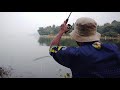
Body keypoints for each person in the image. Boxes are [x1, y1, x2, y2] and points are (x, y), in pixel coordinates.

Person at [49, 17, 120, 78]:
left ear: (77, 37)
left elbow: (52, 48)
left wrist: (61, 31)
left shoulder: (75, 54)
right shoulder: (114, 48)